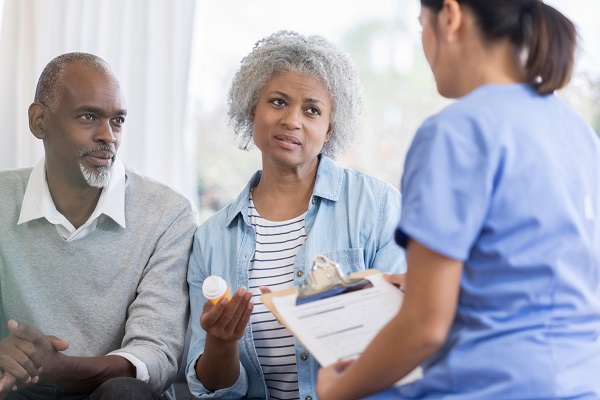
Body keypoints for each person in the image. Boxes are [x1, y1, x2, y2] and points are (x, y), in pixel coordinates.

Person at [315, 0, 600, 399]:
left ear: (450, 16)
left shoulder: (454, 133)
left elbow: (424, 329)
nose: (424, 46)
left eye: (421, 26)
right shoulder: (578, 133)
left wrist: (337, 391)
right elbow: (546, 270)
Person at [185, 30, 406, 399]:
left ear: (329, 128)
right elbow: (212, 388)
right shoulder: (211, 239)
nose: (292, 120)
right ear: (252, 108)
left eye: (312, 110)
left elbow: (402, 342)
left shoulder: (378, 206)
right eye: (277, 101)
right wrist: (221, 342)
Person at [0, 52, 198, 399]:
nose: (108, 136)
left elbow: (156, 357)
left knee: (126, 392)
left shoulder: (168, 214)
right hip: (19, 392)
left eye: (118, 121)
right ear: (39, 121)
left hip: (113, 394)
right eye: (89, 116)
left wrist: (60, 368)